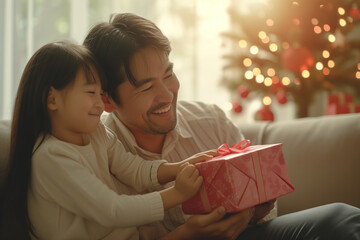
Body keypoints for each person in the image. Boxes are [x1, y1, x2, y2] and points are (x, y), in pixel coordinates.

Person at [84, 12, 360, 240]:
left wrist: (250, 212)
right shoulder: (95, 156)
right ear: (108, 101)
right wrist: (188, 235)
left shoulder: (210, 120)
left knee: (339, 218)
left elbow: (270, 207)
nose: (167, 95)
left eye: (168, 74)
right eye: (147, 88)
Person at [0, 41, 217, 240]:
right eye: (90, 92)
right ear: (52, 99)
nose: (100, 104)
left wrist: (179, 168)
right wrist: (177, 194)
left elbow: (135, 169)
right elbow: (112, 211)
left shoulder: (96, 133)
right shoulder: (51, 157)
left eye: (101, 94)